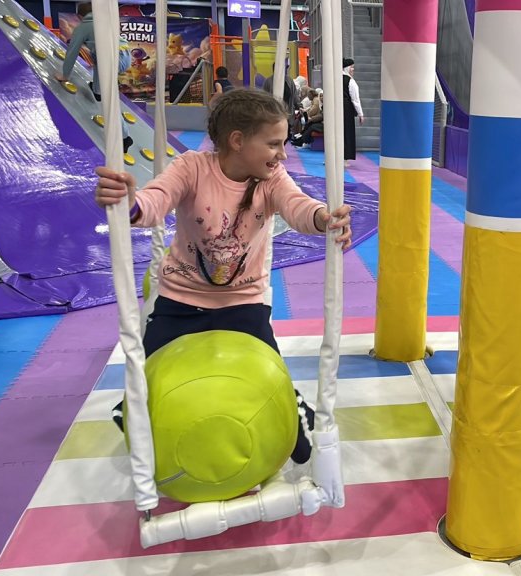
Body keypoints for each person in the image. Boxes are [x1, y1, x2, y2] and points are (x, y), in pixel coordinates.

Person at [94, 89, 353, 465]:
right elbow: (154, 202)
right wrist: (129, 203)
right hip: (181, 299)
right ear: (237, 141)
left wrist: (322, 217)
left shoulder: (271, 179)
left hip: (242, 303)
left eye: (282, 144)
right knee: (142, 383)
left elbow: (297, 205)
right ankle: (133, 413)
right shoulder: (192, 168)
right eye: (273, 144)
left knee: (274, 383)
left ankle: (294, 413)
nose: (282, 154)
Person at [55, 1, 134, 153]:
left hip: (111, 59)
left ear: (80, 16)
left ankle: (124, 138)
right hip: (125, 55)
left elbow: (72, 52)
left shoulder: (83, 27)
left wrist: (65, 75)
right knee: (97, 57)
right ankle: (97, 90)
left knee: (110, 102)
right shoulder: (104, 22)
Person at [342, 58, 363, 166]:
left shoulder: (335, 79)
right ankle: (345, 158)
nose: (353, 69)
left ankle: (333, 157)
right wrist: (360, 114)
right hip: (346, 110)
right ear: (348, 68)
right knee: (347, 133)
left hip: (335, 110)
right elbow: (355, 99)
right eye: (352, 67)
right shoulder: (350, 81)